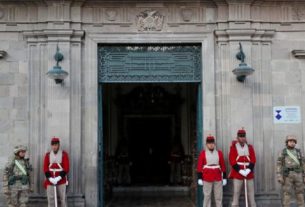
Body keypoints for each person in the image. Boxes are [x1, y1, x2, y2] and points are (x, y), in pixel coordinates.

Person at [229, 128, 256, 207]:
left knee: (251, 193)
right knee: (236, 193)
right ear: (237, 137)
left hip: (248, 173)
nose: (242, 138)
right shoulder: (233, 148)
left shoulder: (250, 147)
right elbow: (232, 160)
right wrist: (240, 171)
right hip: (237, 173)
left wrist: (248, 170)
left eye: (243, 136)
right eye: (240, 136)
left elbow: (253, 159)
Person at [197, 135, 227, 207]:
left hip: (218, 177)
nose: (211, 144)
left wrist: (224, 177)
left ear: (214, 144)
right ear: (206, 144)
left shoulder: (219, 153)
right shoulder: (203, 153)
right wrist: (199, 178)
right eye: (209, 143)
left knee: (218, 197)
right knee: (207, 196)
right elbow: (199, 166)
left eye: (212, 142)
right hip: (207, 177)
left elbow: (222, 166)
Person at [276, 135, 305, 207]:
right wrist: (279, 176)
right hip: (287, 175)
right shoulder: (283, 152)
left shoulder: (299, 152)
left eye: (294, 141)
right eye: (290, 141)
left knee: (300, 193)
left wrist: (304, 176)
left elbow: (303, 164)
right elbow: (279, 164)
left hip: (298, 175)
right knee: (287, 194)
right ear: (287, 142)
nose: (292, 143)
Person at [43, 137, 69, 207]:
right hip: (50, 180)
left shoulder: (64, 154)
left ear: (58, 145)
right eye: (53, 145)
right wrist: (50, 178)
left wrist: (59, 178)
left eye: (56, 145)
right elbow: (45, 168)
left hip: (61, 179)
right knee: (51, 199)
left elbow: (66, 168)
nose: (54, 147)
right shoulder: (48, 155)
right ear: (51, 145)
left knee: (63, 199)